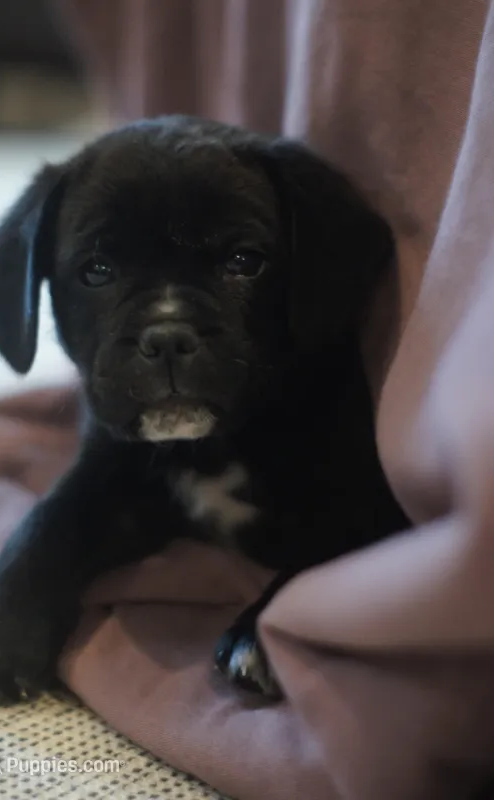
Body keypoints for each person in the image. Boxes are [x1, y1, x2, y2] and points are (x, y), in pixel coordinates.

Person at [51, 2, 494, 797]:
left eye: (242, 260)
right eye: (98, 271)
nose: (167, 333)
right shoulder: (115, 427)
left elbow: (380, 529)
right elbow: (90, 498)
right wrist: (16, 601)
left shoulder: (343, 415)